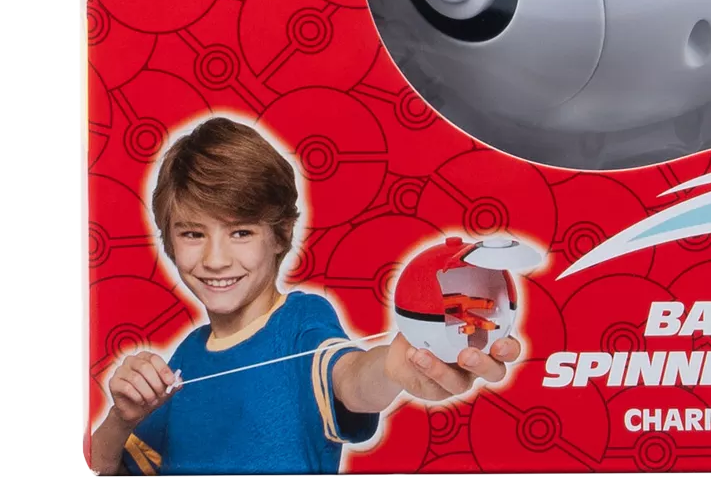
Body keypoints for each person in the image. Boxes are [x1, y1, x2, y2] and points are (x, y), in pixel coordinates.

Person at [89, 117, 520, 474]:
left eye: (241, 232)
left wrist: (395, 366)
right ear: (169, 240)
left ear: (280, 235)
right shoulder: (185, 356)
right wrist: (121, 418)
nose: (215, 259)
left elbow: (349, 377)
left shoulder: (301, 322)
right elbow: (107, 471)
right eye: (192, 234)